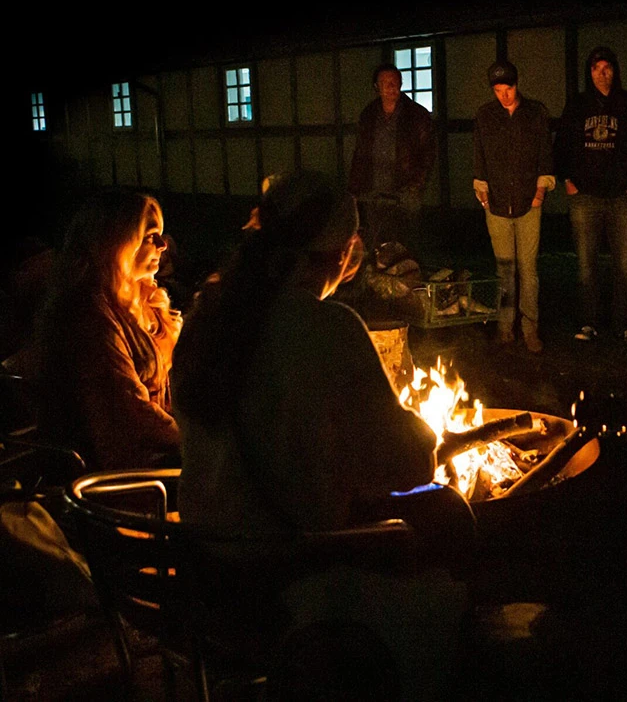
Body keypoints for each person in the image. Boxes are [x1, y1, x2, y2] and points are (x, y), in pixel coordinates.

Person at [174, 171, 436, 533]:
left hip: (201, 548)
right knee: (446, 512)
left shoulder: (205, 316)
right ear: (344, 252)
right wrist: (424, 434)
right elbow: (406, 464)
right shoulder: (328, 326)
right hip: (291, 556)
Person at [33, 190, 181, 469]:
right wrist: (197, 441)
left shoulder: (145, 301)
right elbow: (131, 409)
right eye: (150, 236)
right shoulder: (88, 314)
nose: (163, 245)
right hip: (110, 472)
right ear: (116, 244)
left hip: (155, 451)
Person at [554, 46, 627, 343]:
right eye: (596, 68)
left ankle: (625, 323)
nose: (601, 74)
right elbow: (561, 146)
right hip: (585, 196)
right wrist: (567, 180)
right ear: (589, 72)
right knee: (586, 264)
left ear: (615, 70)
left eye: (606, 68)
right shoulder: (577, 106)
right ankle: (589, 321)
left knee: (624, 264)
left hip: (621, 196)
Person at [472, 60, 555, 353]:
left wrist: (540, 191)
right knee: (504, 268)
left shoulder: (535, 112)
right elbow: (479, 155)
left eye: (507, 88)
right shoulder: (485, 115)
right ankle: (505, 326)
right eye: (497, 90)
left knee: (528, 269)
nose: (503, 95)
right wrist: (482, 192)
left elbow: (545, 152)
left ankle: (530, 327)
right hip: (496, 202)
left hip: (529, 201)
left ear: (516, 85)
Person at [347, 63, 436, 259]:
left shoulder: (417, 115)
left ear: (401, 84)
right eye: (385, 83)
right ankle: (380, 276)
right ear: (376, 87)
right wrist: (355, 186)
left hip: (406, 187)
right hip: (374, 187)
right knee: (377, 239)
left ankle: (408, 274)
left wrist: (416, 184)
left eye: (395, 82)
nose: (391, 87)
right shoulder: (369, 114)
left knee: (406, 240)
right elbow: (360, 152)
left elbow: (428, 153)